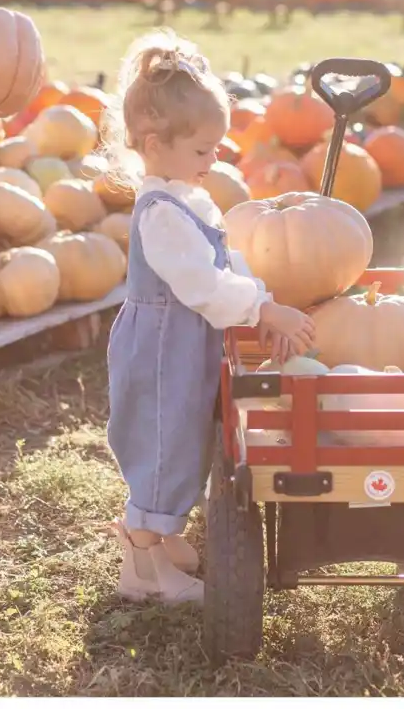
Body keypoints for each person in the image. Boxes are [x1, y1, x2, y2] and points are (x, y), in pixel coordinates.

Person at [104, 30, 317, 604]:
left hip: (183, 345)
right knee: (162, 444)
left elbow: (226, 261)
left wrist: (259, 298)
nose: (214, 159)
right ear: (153, 143)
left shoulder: (188, 198)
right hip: (159, 351)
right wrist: (262, 307)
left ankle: (157, 540)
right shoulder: (161, 213)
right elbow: (200, 283)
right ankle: (143, 568)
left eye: (216, 148)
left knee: (187, 439)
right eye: (202, 150)